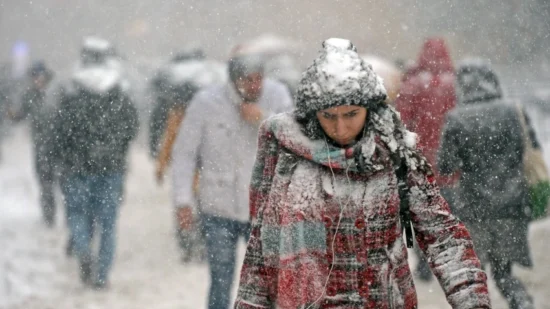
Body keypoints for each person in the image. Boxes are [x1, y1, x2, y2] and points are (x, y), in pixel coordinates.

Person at [233, 38, 490, 309]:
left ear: (369, 109)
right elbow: (264, 254)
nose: (341, 128)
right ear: (312, 114)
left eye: (351, 114)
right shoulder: (291, 161)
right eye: (329, 116)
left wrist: (474, 302)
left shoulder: (395, 156)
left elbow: (444, 238)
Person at [172, 51, 293, 309]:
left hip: (263, 209)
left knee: (266, 284)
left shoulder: (277, 95)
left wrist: (263, 119)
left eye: (258, 79)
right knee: (220, 279)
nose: (254, 86)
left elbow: (295, 141)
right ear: (233, 80)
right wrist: (183, 201)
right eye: (247, 80)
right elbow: (184, 154)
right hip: (218, 207)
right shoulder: (206, 102)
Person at [438, 59, 537, 309]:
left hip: (475, 208)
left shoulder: (456, 118)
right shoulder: (513, 110)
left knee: (473, 274)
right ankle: (522, 302)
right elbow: (529, 147)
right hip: (512, 205)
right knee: (504, 273)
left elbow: (447, 165)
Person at [54, 37, 139, 289]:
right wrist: (115, 147)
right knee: (108, 224)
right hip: (110, 167)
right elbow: (131, 127)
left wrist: (64, 156)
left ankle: (82, 249)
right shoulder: (118, 88)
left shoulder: (71, 87)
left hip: (76, 166)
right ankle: (102, 276)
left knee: (77, 215)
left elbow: (59, 129)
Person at [395, 37, 458, 281]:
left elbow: (400, 121)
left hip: (420, 162)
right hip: (450, 164)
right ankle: (447, 259)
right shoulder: (455, 84)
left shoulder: (412, 84)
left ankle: (424, 262)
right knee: (447, 213)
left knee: (422, 213)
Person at [10, 61, 56, 226]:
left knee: (61, 180)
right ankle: (49, 213)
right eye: (35, 77)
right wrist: (11, 113)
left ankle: (68, 214)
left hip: (60, 144)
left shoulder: (56, 92)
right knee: (44, 180)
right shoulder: (29, 95)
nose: (38, 80)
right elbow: (19, 115)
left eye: (40, 76)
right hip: (41, 144)